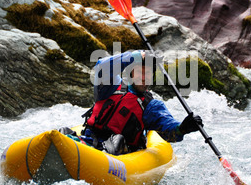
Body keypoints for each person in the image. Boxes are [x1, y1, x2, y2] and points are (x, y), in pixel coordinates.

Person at [74, 50, 203, 155]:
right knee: (64, 132)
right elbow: (102, 67)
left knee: (117, 141)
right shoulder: (110, 86)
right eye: (139, 73)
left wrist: (183, 128)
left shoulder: (151, 106)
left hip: (120, 152)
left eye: (147, 74)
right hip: (91, 139)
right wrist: (134, 56)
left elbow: (169, 129)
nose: (143, 78)